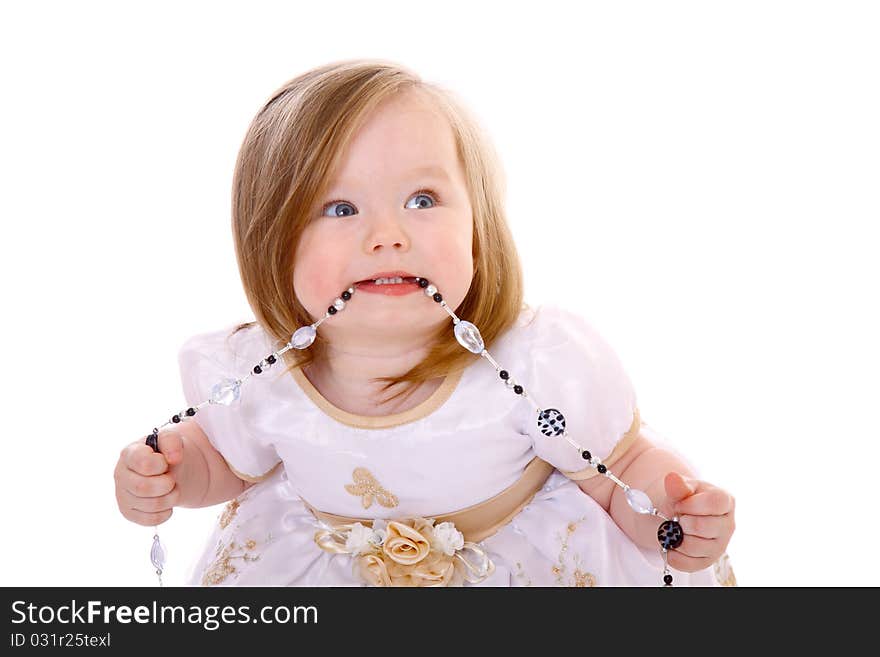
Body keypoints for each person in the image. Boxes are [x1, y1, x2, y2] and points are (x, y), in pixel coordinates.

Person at [114, 58, 736, 587]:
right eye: (340, 208)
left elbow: (619, 473)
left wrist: (668, 518)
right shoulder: (263, 372)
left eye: (422, 201)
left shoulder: (530, 364)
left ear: (477, 227)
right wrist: (172, 475)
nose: (388, 236)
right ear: (271, 242)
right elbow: (225, 462)